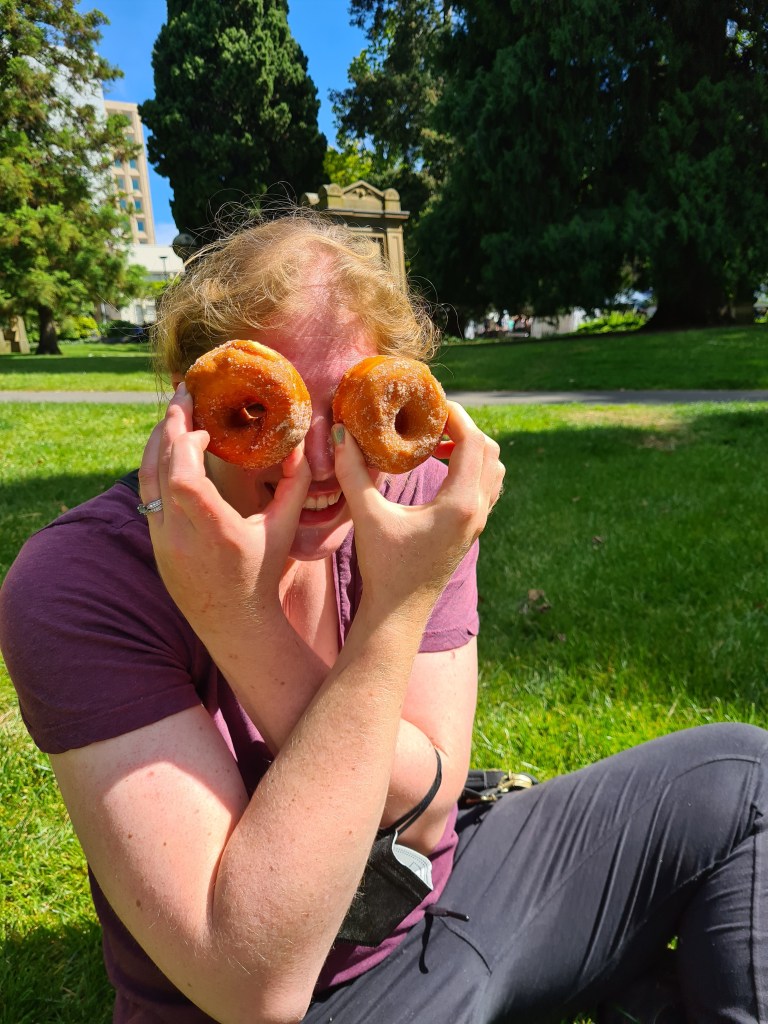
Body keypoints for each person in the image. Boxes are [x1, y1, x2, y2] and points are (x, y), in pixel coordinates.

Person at [0, 213, 766, 1024]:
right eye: (266, 414)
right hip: (311, 1002)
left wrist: (383, 597)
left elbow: (431, 815)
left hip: (453, 898)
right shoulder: (80, 582)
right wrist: (246, 616)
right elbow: (250, 984)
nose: (324, 462)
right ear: (190, 411)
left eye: (352, 409)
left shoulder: (413, 511)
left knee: (743, 775)